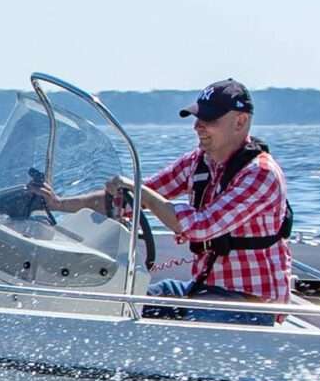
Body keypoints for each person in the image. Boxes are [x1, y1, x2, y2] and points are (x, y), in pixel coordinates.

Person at [45, 78, 290, 324]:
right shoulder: (198, 162)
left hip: (251, 304)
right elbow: (131, 199)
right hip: (204, 290)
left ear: (240, 122)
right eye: (197, 118)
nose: (197, 126)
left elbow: (199, 227)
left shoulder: (261, 174)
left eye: (209, 119)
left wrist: (141, 192)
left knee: (170, 329)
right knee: (122, 305)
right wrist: (57, 203)